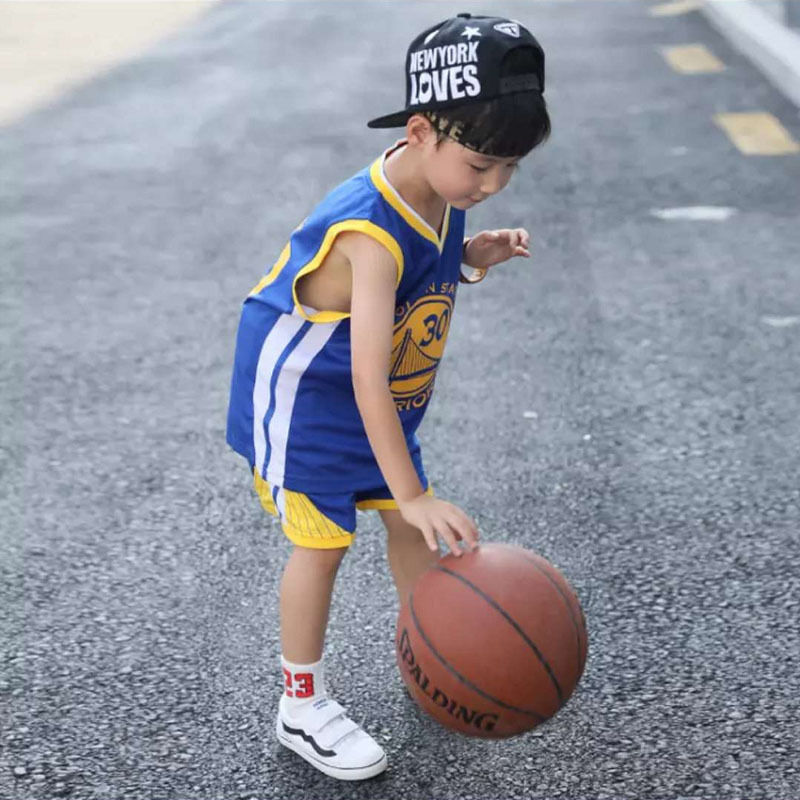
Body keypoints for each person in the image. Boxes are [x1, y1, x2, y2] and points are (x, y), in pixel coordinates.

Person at [225, 11, 550, 781]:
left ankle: (431, 649)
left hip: (371, 401)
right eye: (483, 164)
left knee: (412, 530)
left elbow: (424, 265)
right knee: (324, 543)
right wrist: (412, 491)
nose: (493, 184)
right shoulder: (368, 235)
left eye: (511, 167)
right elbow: (367, 373)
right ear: (420, 131)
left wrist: (469, 257)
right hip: (308, 405)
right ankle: (301, 705)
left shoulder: (443, 187)